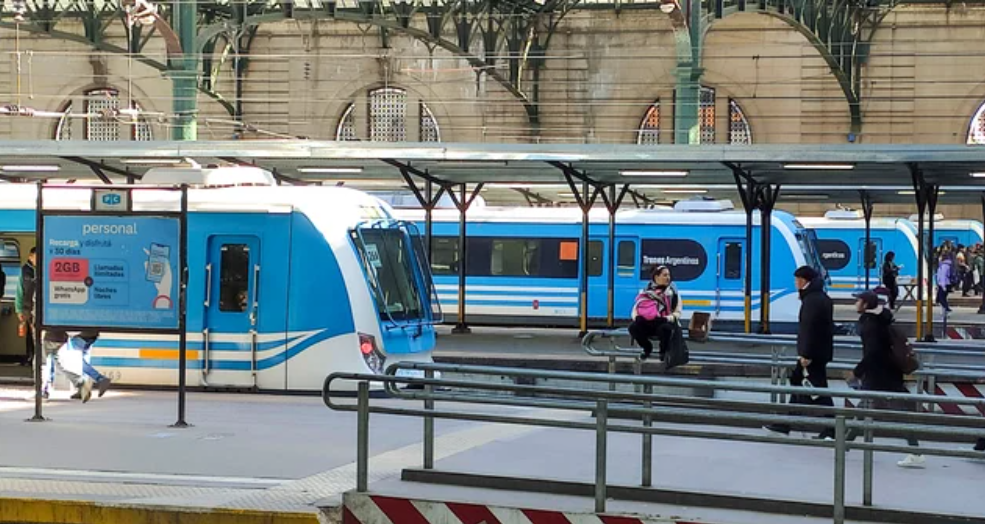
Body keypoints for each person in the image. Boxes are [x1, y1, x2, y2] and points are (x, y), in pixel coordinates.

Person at [850, 288, 924, 468]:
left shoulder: (869, 324)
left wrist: (857, 372)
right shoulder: (881, 319)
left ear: (865, 304)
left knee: (896, 412)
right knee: (866, 407)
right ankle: (844, 443)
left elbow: (873, 352)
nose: (855, 304)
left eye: (858, 300)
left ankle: (915, 451)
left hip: (880, 375)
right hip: (888, 372)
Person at [765, 266, 835, 439]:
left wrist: (806, 354)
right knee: (800, 383)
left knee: (817, 389)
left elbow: (809, 329)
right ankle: (785, 423)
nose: (795, 283)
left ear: (804, 280)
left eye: (797, 279)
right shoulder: (820, 297)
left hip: (811, 354)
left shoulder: (812, 300)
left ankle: (832, 426)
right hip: (817, 352)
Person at [628, 265, 682, 362]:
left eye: (669, 275)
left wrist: (667, 318)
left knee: (665, 329)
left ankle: (663, 352)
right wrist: (637, 318)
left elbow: (677, 313)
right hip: (648, 323)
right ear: (656, 277)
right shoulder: (646, 292)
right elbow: (635, 309)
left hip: (664, 322)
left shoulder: (673, 293)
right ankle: (647, 347)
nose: (668, 278)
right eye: (665, 275)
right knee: (633, 327)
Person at [14, 247, 35, 367]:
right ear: (30, 257)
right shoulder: (25, 271)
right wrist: (19, 309)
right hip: (28, 308)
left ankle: (37, 357)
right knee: (29, 335)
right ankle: (31, 357)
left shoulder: (44, 267)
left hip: (39, 308)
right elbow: (19, 291)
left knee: (37, 334)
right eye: (35, 257)